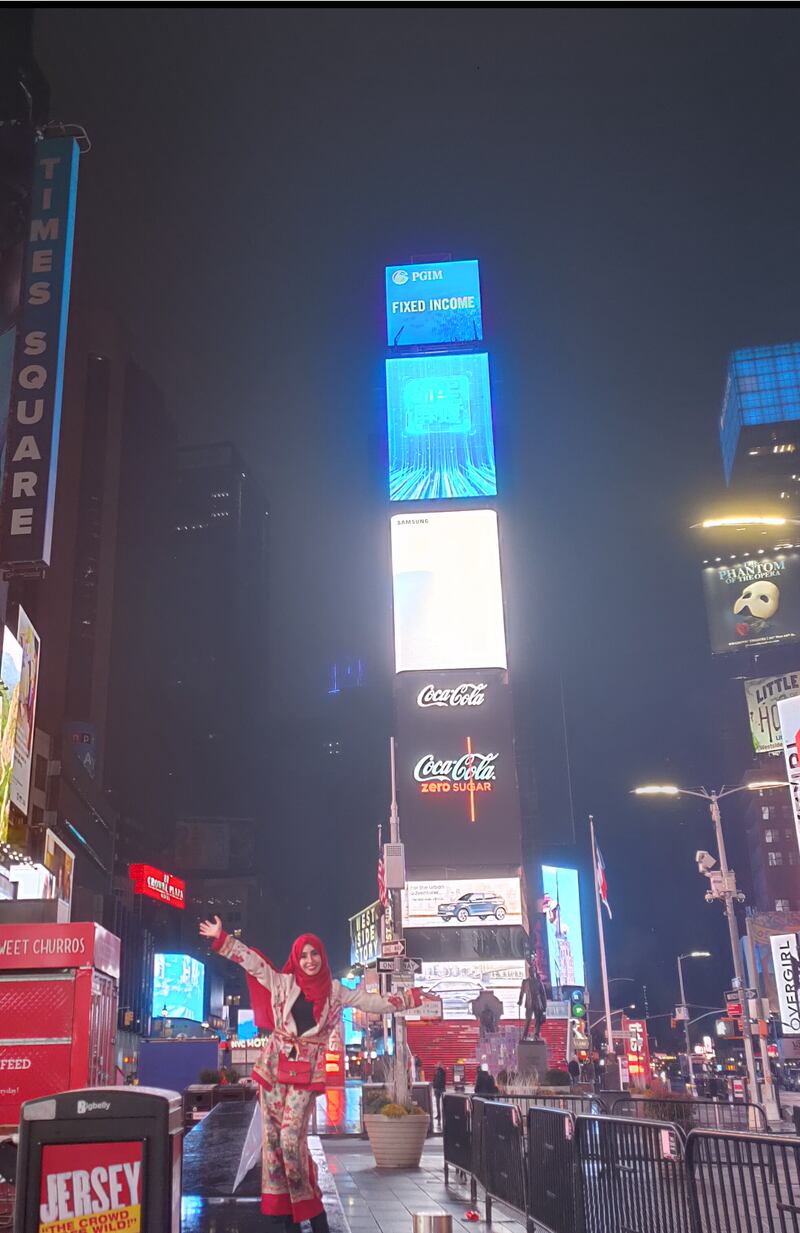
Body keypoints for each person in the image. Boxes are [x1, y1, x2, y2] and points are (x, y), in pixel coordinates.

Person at [199, 915, 421, 1230]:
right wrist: (222, 939)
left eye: (314, 953)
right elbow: (253, 963)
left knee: (291, 1139)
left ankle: (313, 1209)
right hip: (274, 1069)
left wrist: (407, 999)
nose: (310, 960)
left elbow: (372, 1001)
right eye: (303, 955)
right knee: (274, 1142)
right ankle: (283, 1214)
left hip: (306, 1073)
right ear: (296, 958)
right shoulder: (283, 982)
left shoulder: (335, 990)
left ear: (322, 955)